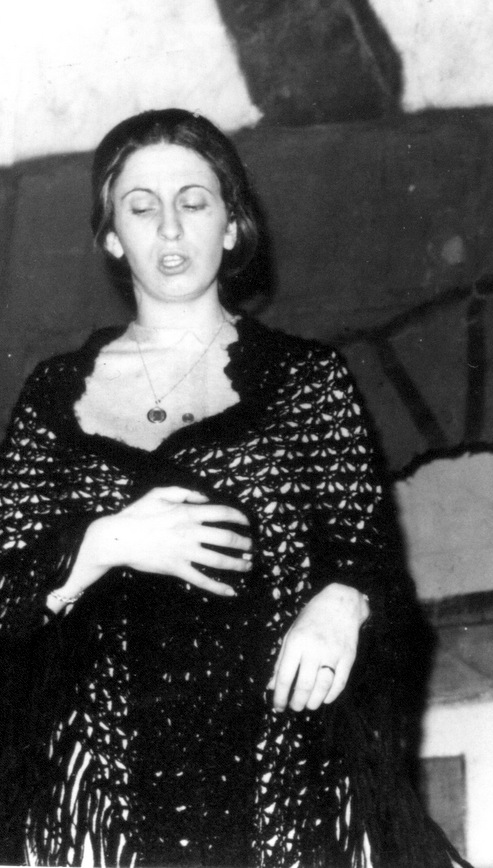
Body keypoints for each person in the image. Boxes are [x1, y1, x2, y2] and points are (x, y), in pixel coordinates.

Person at [0, 109, 464, 867]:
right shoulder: (53, 396)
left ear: (232, 226)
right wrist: (107, 542)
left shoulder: (307, 381)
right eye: (141, 207)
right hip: (93, 809)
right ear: (112, 238)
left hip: (284, 787)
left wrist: (344, 602)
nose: (170, 227)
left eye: (194, 201)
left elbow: (374, 566)